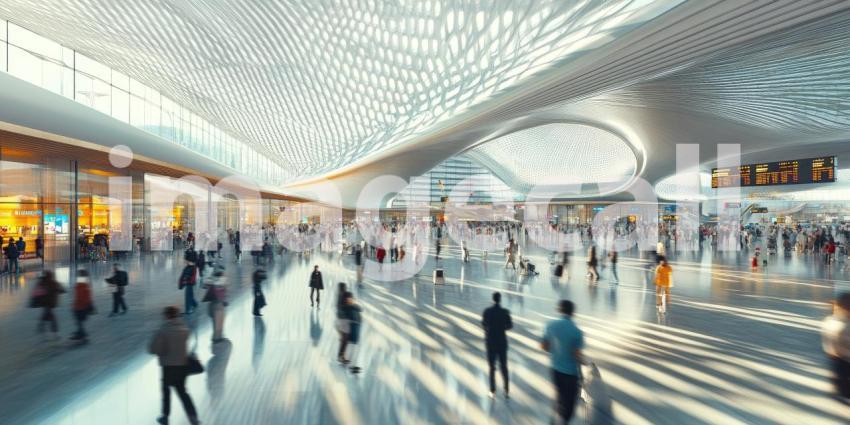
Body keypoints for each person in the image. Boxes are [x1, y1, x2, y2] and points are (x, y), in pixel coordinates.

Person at [148, 306, 200, 425]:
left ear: (166, 316)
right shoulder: (184, 329)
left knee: (166, 392)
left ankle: (165, 417)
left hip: (168, 368)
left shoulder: (162, 331)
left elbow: (154, 349)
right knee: (183, 393)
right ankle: (194, 418)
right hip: (182, 367)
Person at [541, 300, 584, 424]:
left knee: (560, 394)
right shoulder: (576, 331)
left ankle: (556, 418)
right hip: (570, 373)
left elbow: (544, 346)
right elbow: (577, 355)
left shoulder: (550, 325)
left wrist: (555, 350)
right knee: (569, 402)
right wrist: (586, 363)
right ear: (573, 313)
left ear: (560, 310)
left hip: (555, 369)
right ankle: (563, 421)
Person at [482, 292, 513, 399]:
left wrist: (490, 329)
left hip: (490, 342)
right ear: (500, 300)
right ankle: (506, 390)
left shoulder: (487, 311)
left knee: (491, 367)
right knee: (504, 366)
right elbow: (509, 326)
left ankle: (492, 390)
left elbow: (484, 324)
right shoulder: (505, 312)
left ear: (492, 299)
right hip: (502, 342)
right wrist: (502, 328)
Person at [822, 292, 850, 400]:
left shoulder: (830, 320)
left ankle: (837, 387)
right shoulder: (844, 326)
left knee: (839, 376)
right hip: (845, 360)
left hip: (834, 358)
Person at [33, 270, 65, 335]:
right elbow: (62, 290)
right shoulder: (53, 283)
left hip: (46, 302)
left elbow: (37, 292)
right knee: (49, 314)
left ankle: (43, 326)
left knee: (48, 314)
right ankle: (52, 329)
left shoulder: (44, 283)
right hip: (51, 302)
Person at [340, 291, 363, 373]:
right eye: (348, 298)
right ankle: (351, 365)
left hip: (357, 327)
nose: (350, 300)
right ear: (346, 300)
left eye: (351, 298)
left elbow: (360, 310)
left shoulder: (355, 307)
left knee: (355, 347)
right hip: (352, 328)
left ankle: (350, 364)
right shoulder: (346, 308)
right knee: (351, 347)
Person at [203, 269, 228, 343]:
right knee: (218, 323)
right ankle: (217, 338)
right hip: (218, 306)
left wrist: (211, 277)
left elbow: (204, 283)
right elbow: (223, 294)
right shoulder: (221, 282)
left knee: (216, 323)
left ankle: (216, 337)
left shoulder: (212, 283)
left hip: (212, 306)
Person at [71, 269, 94, 342]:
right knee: (79, 322)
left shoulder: (82, 285)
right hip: (81, 306)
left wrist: (79, 303)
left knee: (79, 321)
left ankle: (82, 334)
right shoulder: (85, 284)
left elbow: (81, 296)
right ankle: (81, 333)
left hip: (80, 307)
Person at [336, 283, 350, 364]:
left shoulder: (340, 296)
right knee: (345, 340)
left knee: (344, 340)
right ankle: (341, 357)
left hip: (341, 321)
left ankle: (341, 356)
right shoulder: (342, 297)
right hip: (343, 321)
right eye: (345, 288)